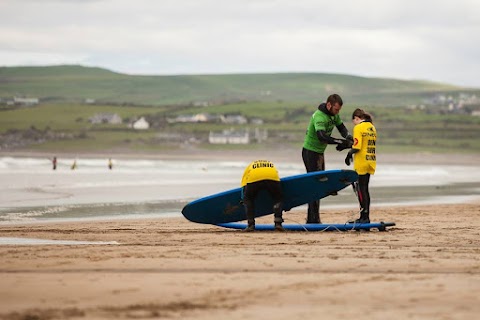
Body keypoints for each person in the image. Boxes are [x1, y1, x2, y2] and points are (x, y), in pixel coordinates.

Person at [302, 93, 352, 223]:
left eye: (339, 110)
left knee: (319, 183)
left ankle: (314, 218)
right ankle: (312, 220)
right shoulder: (319, 116)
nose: (337, 112)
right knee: (315, 184)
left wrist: (348, 138)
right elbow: (322, 137)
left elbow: (341, 128)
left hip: (319, 153)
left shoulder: (334, 115)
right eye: (336, 109)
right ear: (329, 105)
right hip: (310, 152)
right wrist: (340, 142)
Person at [345, 108, 377, 223]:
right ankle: (365, 216)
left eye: (353, 121)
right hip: (371, 161)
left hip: (361, 162)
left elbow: (357, 147)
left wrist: (349, 154)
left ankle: (364, 217)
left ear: (356, 118)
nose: (354, 123)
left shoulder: (358, 127)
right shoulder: (372, 127)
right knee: (365, 189)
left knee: (360, 189)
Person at [241, 160, 284, 232]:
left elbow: (244, 184)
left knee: (248, 199)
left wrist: (244, 198)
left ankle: (251, 225)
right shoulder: (270, 164)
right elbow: (277, 176)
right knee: (278, 198)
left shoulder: (250, 166)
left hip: (254, 178)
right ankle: (278, 223)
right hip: (272, 177)